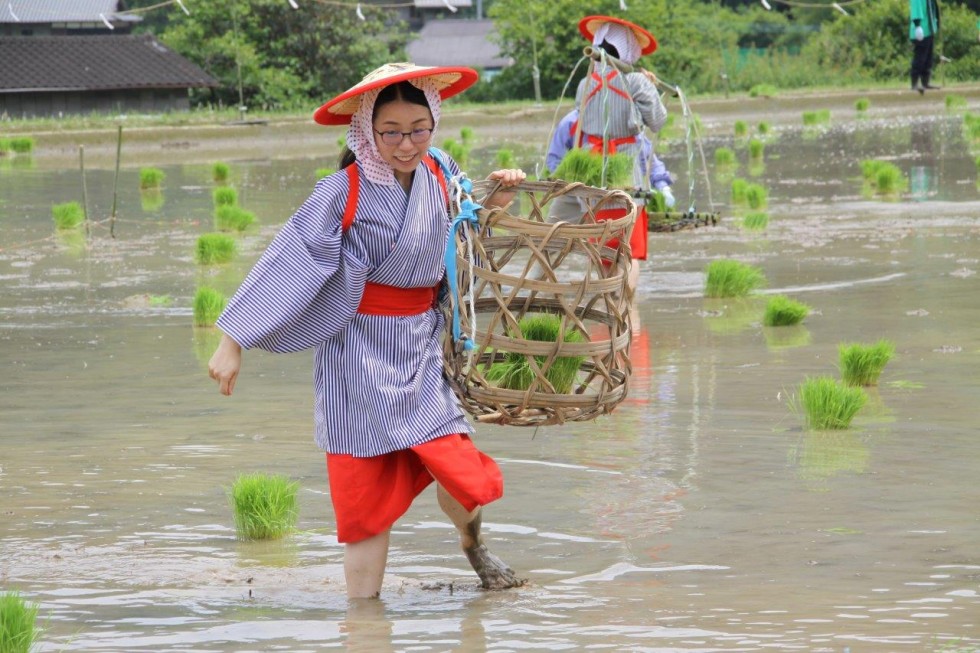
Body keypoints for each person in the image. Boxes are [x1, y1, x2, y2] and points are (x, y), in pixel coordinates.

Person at [207, 62, 527, 599]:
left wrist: (495, 200)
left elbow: (465, 232)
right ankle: (363, 618)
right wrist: (232, 339)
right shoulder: (342, 193)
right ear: (366, 131)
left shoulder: (443, 173)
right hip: (355, 351)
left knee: (458, 471)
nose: (406, 144)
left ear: (435, 122)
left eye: (418, 129)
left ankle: (473, 545)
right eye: (392, 132)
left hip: (423, 346)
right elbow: (287, 264)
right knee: (363, 497)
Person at [546, 108, 675, 209]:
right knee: (554, 233)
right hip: (573, 194)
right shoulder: (571, 122)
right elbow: (554, 160)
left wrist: (663, 188)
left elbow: (649, 159)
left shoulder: (626, 125)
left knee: (613, 236)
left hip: (618, 195)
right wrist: (574, 181)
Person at [909, 0, 941, 93]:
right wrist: (917, 25)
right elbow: (916, 10)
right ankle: (914, 83)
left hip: (929, 29)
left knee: (928, 58)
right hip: (920, 30)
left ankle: (925, 82)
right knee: (920, 57)